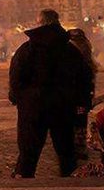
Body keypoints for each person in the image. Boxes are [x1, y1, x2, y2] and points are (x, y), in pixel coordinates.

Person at [8, 10, 93, 178]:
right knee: (66, 153)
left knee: (28, 152)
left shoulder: (27, 49)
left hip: (33, 106)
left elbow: (16, 77)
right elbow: (84, 78)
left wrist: (19, 98)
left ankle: (22, 188)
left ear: (40, 23)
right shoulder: (71, 50)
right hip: (63, 106)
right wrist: (82, 103)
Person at [67, 28, 98, 159]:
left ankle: (75, 146)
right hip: (80, 97)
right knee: (79, 120)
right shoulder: (86, 60)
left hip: (75, 96)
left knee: (75, 120)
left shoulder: (71, 55)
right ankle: (78, 146)